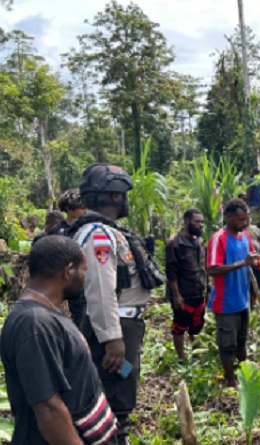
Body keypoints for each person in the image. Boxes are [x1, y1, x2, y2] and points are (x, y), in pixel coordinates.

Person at [68, 163, 162, 444]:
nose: (126, 201)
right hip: (116, 327)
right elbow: (100, 289)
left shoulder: (108, 230)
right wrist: (112, 339)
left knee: (123, 380)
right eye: (123, 195)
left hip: (124, 324)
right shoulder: (98, 233)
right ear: (114, 196)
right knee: (115, 393)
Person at [1, 236, 119, 445]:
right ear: (68, 271)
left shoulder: (47, 314)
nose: (85, 277)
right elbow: (48, 407)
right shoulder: (35, 324)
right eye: (83, 270)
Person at [207, 199, 260, 387]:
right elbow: (212, 269)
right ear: (228, 217)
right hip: (225, 302)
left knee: (241, 341)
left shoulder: (245, 236)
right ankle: (230, 379)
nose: (243, 223)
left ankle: (243, 374)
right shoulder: (219, 238)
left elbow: (251, 259)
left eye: (245, 220)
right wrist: (242, 263)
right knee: (227, 344)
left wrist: (259, 263)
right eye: (239, 220)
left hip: (242, 300)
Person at [165, 209, 208, 361]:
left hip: (198, 291)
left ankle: (196, 353)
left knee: (196, 324)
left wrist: (207, 289)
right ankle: (181, 357)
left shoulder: (200, 241)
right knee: (180, 326)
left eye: (202, 222)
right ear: (187, 221)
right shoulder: (175, 242)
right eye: (197, 221)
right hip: (184, 293)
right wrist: (176, 295)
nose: (201, 225)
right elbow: (171, 271)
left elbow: (204, 268)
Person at [49, 189, 90, 328]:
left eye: (86, 208)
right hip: (63, 278)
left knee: (82, 315)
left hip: (84, 278)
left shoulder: (88, 228)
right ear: (69, 209)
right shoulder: (57, 231)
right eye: (81, 208)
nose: (84, 211)